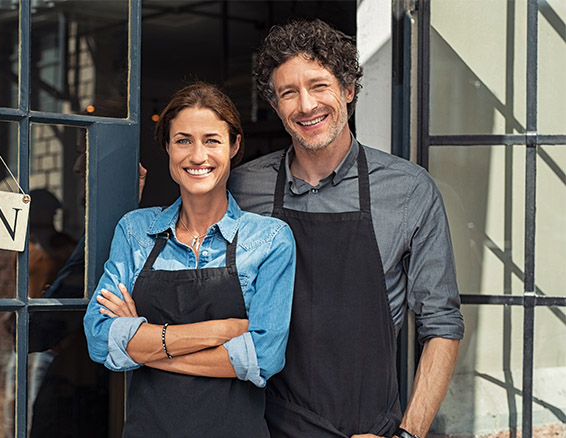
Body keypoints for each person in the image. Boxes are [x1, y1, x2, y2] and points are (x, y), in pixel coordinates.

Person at [228, 19, 464, 438]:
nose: (305, 106)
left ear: (349, 90)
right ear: (276, 105)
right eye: (288, 93)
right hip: (261, 425)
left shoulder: (408, 190)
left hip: (364, 429)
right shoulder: (244, 187)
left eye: (319, 86)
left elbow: (441, 325)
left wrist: (407, 435)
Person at [83, 82, 296, 437]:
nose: (198, 156)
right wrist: (221, 331)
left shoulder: (270, 239)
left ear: (234, 146)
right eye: (183, 140)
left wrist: (143, 344)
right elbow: (100, 338)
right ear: (167, 147)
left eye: (212, 140)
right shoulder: (136, 231)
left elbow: (264, 357)